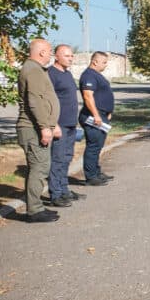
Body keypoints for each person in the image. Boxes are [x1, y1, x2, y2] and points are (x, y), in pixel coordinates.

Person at [16, 38, 61, 223]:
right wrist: (44, 127)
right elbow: (34, 101)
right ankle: (34, 211)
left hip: (36, 127)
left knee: (38, 167)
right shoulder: (33, 70)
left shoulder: (35, 69)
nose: (51, 54)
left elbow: (44, 100)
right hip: (32, 128)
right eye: (50, 51)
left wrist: (52, 124)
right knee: (39, 168)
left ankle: (36, 207)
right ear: (42, 52)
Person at [46, 44, 84, 208]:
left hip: (70, 124)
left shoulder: (67, 74)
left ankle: (64, 190)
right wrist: (53, 124)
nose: (71, 58)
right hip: (59, 125)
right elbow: (47, 102)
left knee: (67, 158)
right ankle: (55, 194)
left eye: (71, 56)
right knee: (58, 159)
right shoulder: (51, 74)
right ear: (56, 56)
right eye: (67, 56)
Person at [79, 51, 115, 186]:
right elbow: (88, 96)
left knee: (98, 145)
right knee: (93, 146)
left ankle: (96, 172)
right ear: (95, 62)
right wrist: (96, 115)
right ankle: (91, 176)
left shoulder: (96, 75)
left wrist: (108, 112)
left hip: (101, 115)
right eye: (104, 62)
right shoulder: (88, 75)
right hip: (93, 116)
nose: (106, 65)